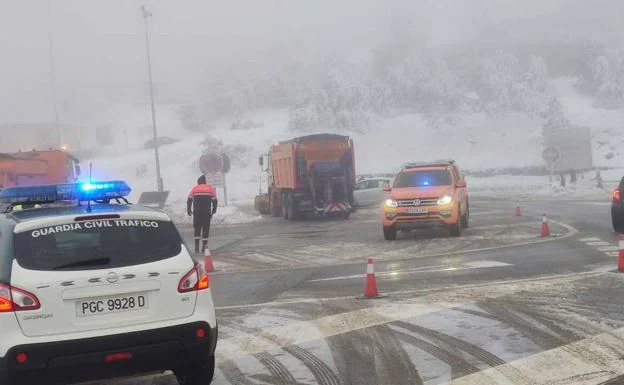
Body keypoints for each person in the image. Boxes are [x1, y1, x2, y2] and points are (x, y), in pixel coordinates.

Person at [187, 175, 218, 254]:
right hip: (206, 212)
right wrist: (213, 210)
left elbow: (189, 200)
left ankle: (196, 246)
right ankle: (204, 247)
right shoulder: (210, 189)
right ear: (205, 182)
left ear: (198, 182)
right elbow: (215, 201)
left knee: (197, 228)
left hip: (197, 212)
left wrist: (189, 210)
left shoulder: (195, 188)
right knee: (205, 228)